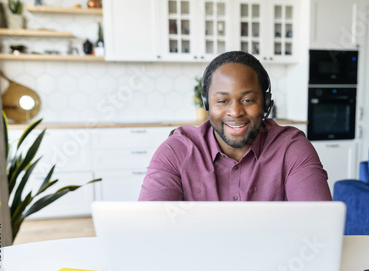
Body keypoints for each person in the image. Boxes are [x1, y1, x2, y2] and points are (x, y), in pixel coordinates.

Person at [139, 51, 331, 201]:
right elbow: (149, 228)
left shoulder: (292, 149)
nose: (235, 111)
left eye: (248, 100)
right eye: (222, 100)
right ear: (207, 104)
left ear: (266, 104)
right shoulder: (176, 151)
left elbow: (320, 229)